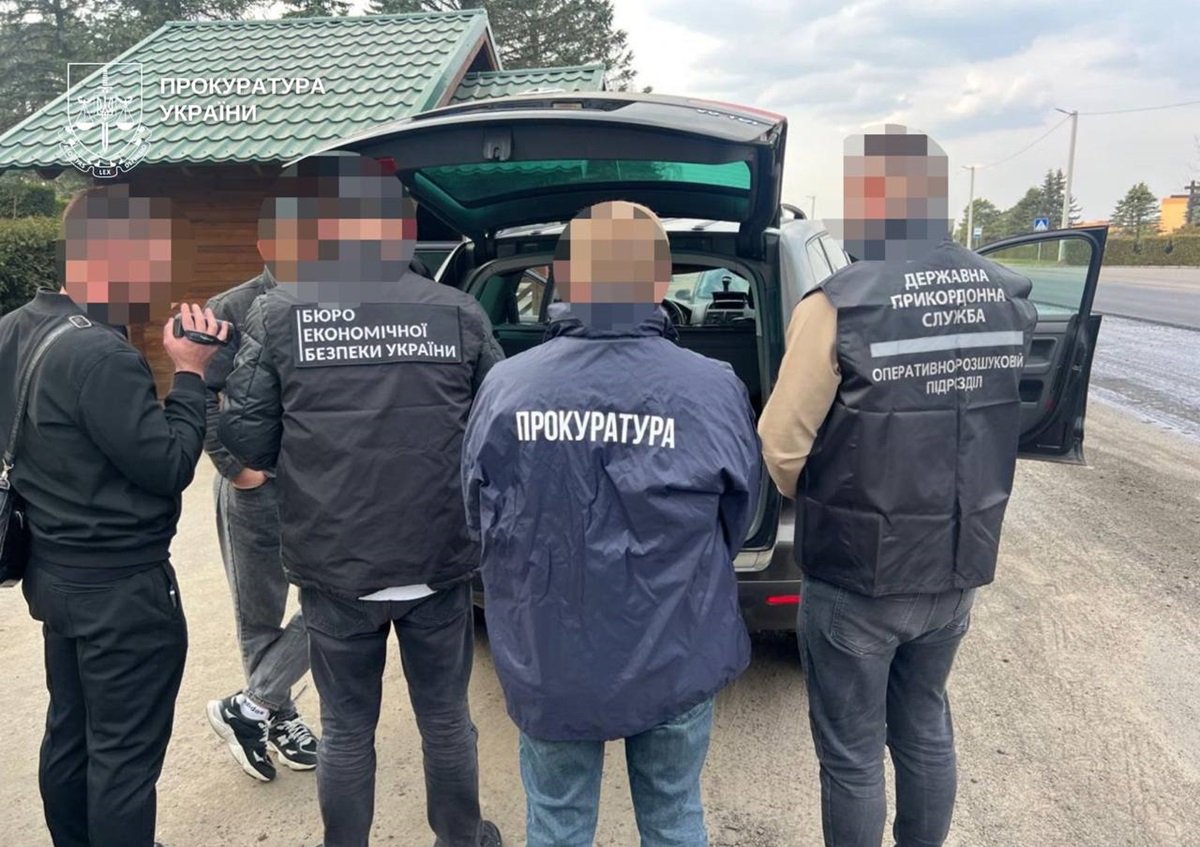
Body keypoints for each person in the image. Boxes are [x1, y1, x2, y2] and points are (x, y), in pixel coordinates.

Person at [758, 124, 1039, 847]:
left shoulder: (838, 304)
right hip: (956, 563)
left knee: (852, 753)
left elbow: (782, 444)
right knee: (925, 725)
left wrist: (820, 500)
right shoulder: (1009, 293)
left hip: (857, 573)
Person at [218, 152, 504, 847]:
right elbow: (497, 430)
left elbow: (246, 442)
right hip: (436, 559)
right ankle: (462, 838)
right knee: (445, 719)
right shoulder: (459, 311)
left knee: (346, 727)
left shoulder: (278, 312)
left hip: (334, 564)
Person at [462, 200, 761, 847]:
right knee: (674, 817)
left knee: (558, 822)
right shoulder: (713, 386)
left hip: (549, 650)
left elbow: (476, 516)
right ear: (661, 279)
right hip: (676, 645)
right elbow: (741, 515)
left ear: (564, 278)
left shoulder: (506, 386)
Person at [0, 183, 226, 847]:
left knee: (70, 733)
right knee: (124, 757)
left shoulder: (16, 327)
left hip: (53, 570)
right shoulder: (101, 354)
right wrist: (191, 373)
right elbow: (168, 465)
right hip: (121, 589)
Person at [202, 263, 319, 782]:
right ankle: (278, 716)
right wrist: (238, 469)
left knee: (338, 596)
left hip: (321, 484)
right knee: (260, 614)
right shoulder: (230, 306)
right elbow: (199, 393)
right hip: (257, 488)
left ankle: (253, 706)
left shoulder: (333, 296)